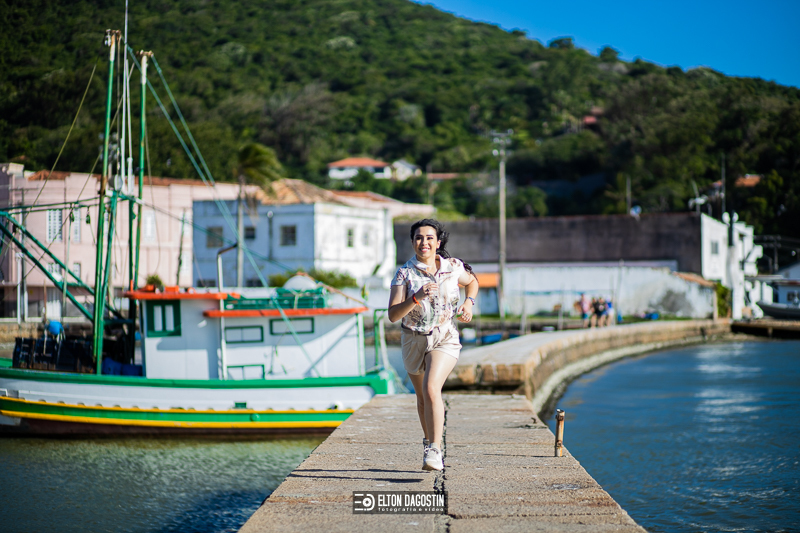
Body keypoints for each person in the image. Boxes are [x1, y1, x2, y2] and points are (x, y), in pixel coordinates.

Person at [388, 219, 479, 472]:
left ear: (438, 242)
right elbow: (393, 315)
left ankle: (435, 450)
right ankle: (429, 442)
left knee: (431, 389)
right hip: (413, 340)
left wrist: (468, 303)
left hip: (444, 337)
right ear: (412, 242)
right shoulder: (404, 273)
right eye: (419, 238)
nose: (424, 242)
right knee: (422, 397)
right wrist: (416, 298)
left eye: (429, 238)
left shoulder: (452, 267)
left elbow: (472, 281)